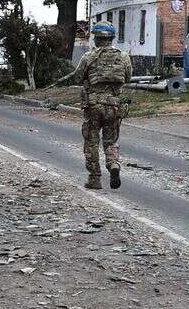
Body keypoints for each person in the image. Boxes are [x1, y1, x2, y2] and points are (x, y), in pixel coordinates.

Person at [55, 24, 133, 190]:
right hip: (114, 105)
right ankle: (113, 164)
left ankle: (95, 178)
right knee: (110, 140)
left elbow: (77, 78)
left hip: (93, 106)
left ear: (96, 39)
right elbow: (128, 77)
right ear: (111, 38)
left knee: (91, 142)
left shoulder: (88, 57)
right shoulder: (124, 57)